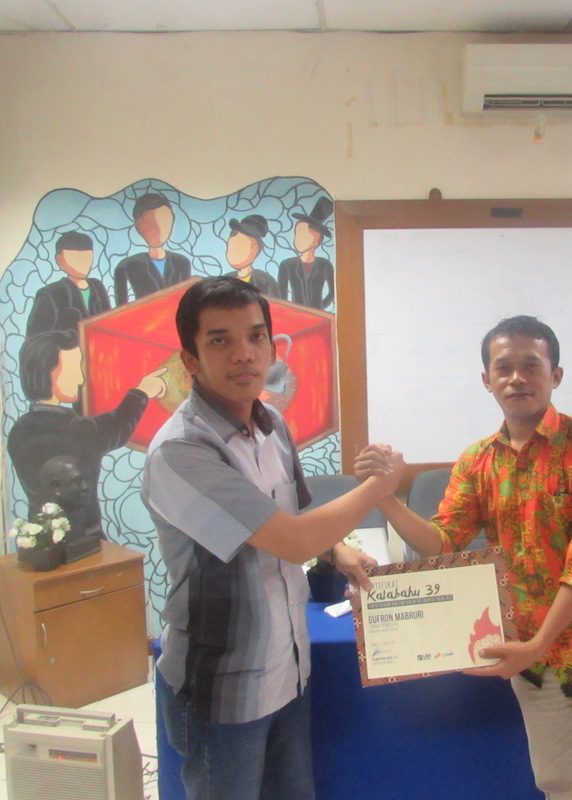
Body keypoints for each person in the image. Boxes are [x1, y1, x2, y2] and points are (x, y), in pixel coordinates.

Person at [355, 315, 572, 800]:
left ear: (556, 375)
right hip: (536, 665)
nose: (517, 378)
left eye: (531, 365)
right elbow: (443, 542)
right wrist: (384, 496)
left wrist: (538, 643)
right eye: (503, 368)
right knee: (562, 786)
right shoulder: (477, 460)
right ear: (487, 380)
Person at [141, 276, 402, 800]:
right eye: (220, 340)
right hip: (222, 685)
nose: (244, 354)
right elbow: (292, 540)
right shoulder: (182, 451)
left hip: (288, 669)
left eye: (256, 336)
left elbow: (292, 515)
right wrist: (379, 487)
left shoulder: (273, 425)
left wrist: (339, 548)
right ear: (190, 359)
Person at [7, 329, 166, 533]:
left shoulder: (18, 431)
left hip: (41, 539)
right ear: (49, 372)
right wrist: (141, 393)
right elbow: (116, 425)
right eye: (74, 369)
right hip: (85, 540)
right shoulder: (74, 430)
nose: (81, 379)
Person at [26, 231, 111, 337]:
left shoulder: (97, 286)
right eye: (75, 258)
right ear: (59, 260)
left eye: (87, 256)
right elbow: (34, 340)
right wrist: (66, 345)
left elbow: (110, 321)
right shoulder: (50, 294)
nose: (82, 263)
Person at [114, 192, 191, 305]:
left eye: (164, 221)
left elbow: (187, 301)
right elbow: (121, 307)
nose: (159, 229)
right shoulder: (126, 266)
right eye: (150, 224)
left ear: (172, 220)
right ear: (138, 227)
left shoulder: (182, 262)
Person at [278, 196, 335, 310]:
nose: (298, 239)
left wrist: (320, 308)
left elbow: (333, 292)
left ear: (317, 239)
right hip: (294, 315)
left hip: (318, 315)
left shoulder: (325, 265)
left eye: (304, 235)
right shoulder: (287, 265)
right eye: (297, 234)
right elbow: (282, 297)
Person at [225, 214, 280, 297]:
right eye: (231, 246)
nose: (233, 252)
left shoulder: (266, 282)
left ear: (256, 249)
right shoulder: (225, 280)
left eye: (241, 247)